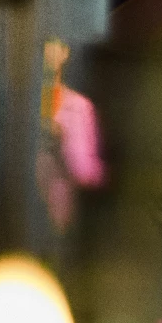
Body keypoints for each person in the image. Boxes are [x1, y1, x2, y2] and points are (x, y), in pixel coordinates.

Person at [37, 38, 106, 232]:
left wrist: (63, 142)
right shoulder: (21, 103)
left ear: (65, 53)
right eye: (44, 47)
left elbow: (88, 171)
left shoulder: (80, 107)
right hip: (15, 209)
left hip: (58, 214)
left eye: (55, 46)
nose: (49, 53)